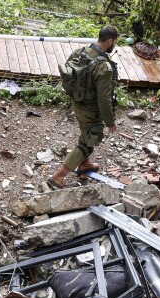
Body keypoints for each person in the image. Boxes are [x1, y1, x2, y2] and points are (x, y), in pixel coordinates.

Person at [48, 25, 119, 189]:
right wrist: (110, 122)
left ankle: (84, 164)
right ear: (109, 41)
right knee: (88, 141)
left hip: (77, 103)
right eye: (115, 42)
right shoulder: (104, 67)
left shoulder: (80, 52)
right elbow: (104, 98)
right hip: (91, 109)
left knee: (85, 133)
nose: (114, 44)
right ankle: (58, 176)